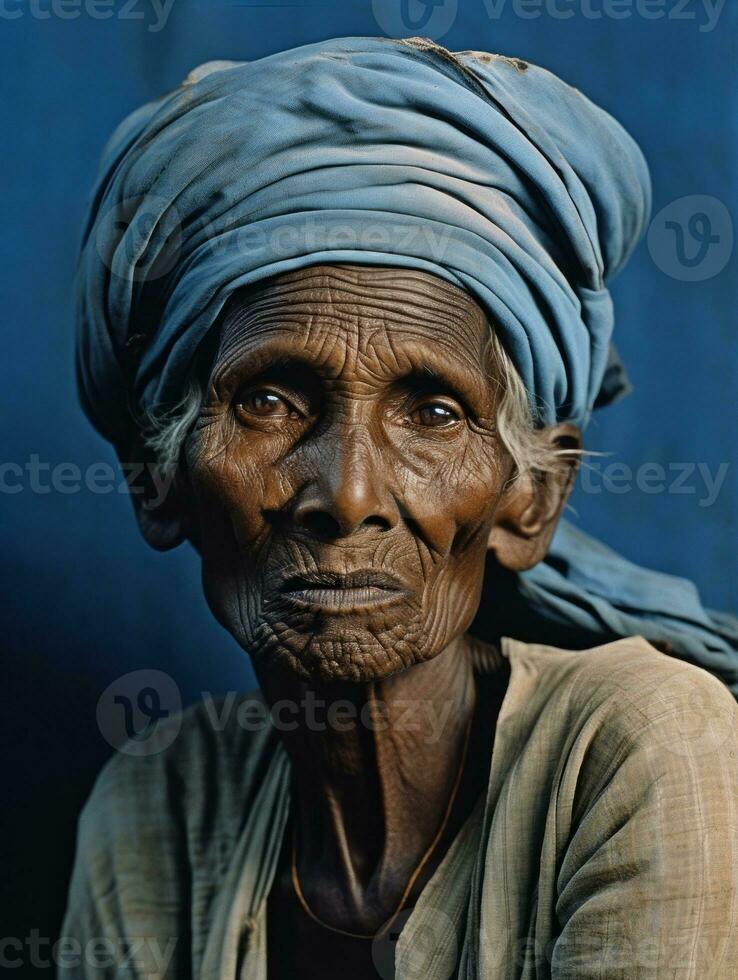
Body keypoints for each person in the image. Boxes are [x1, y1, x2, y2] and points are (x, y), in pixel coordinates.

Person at [61, 37, 738, 979]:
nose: (346, 495)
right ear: (156, 478)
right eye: (268, 400)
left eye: (433, 412)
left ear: (532, 497)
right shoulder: (163, 804)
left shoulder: (640, 747)